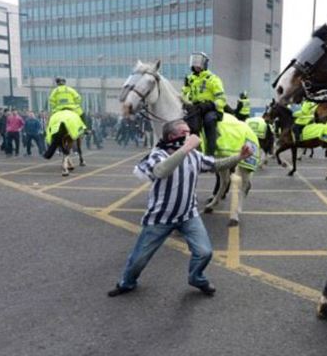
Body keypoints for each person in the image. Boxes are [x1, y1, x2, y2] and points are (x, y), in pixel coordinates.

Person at [108, 119, 253, 297]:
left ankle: (196, 278)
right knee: (139, 259)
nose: (190, 135)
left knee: (204, 252)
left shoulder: (195, 155)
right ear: (171, 137)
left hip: (188, 215)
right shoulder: (158, 154)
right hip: (160, 218)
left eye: (189, 132)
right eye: (185, 133)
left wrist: (239, 157)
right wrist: (186, 148)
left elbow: (216, 165)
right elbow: (161, 171)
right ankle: (127, 282)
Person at [182, 52, 228, 156]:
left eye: (199, 62)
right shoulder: (190, 79)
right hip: (197, 108)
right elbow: (184, 95)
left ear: (205, 64)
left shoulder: (213, 79)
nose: (196, 65)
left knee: (209, 120)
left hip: (212, 109)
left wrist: (210, 105)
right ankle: (194, 150)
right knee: (188, 122)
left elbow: (222, 99)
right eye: (194, 62)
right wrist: (185, 89)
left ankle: (210, 153)